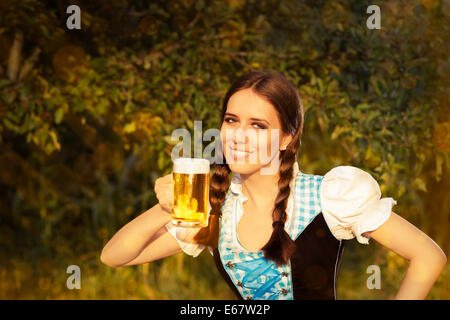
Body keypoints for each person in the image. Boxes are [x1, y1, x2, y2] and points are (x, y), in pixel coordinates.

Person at [101, 71, 447, 300]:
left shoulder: (328, 196)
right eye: (232, 120)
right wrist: (169, 205)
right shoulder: (215, 209)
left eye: (258, 125)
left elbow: (427, 256)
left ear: (286, 137)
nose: (239, 136)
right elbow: (115, 256)